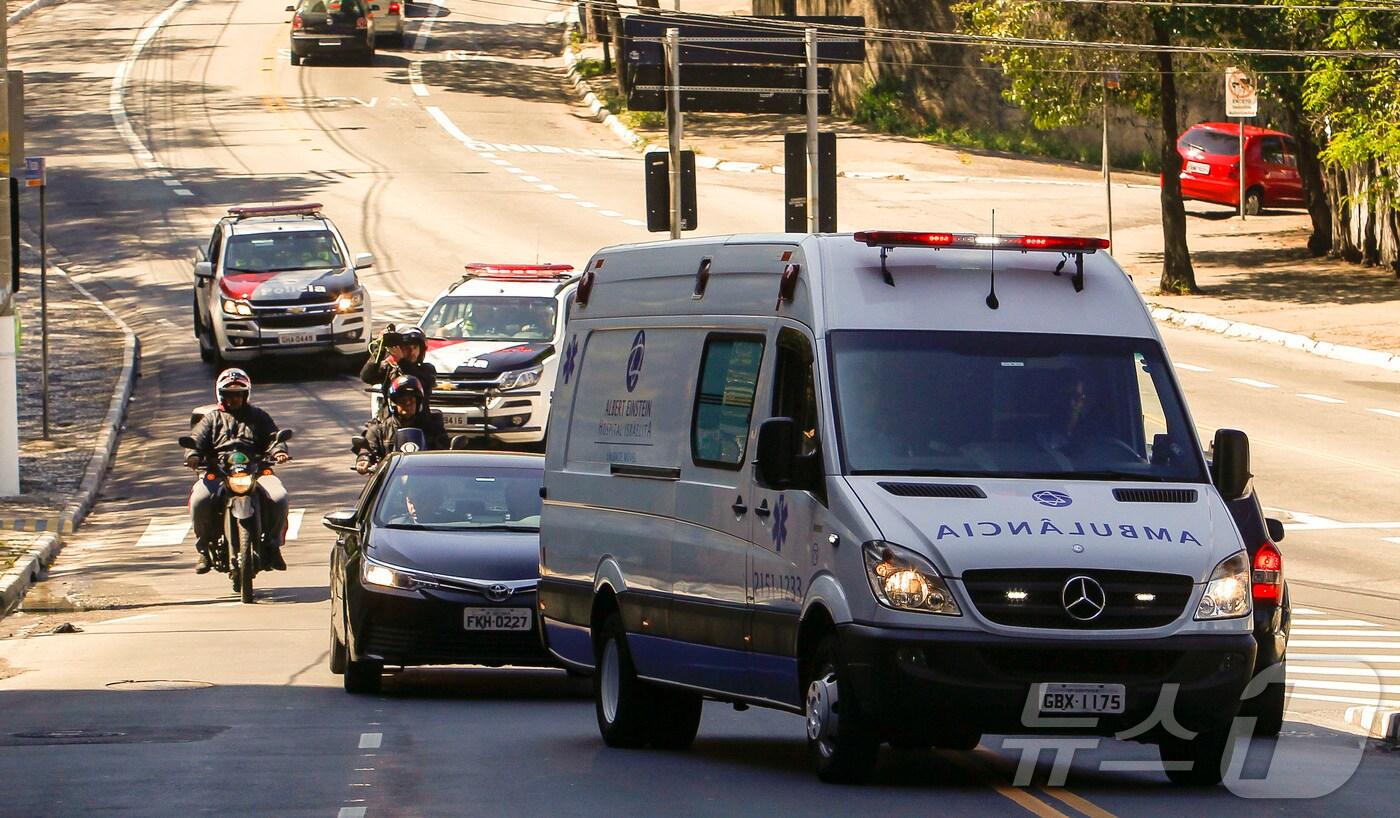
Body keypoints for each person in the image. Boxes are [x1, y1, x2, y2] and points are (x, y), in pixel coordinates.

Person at [185, 369, 291, 574]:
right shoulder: (211, 419)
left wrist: (279, 451)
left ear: (246, 394)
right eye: (228, 394)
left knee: (280, 497)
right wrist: (193, 456)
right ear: (220, 395)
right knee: (199, 499)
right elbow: (196, 441)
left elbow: (273, 437)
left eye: (238, 394)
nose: (233, 398)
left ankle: (273, 545)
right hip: (220, 471)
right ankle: (204, 550)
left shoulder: (259, 416)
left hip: (256, 470)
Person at [353, 375, 450, 473]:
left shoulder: (432, 428)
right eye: (403, 401)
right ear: (393, 403)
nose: (407, 405)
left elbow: (444, 451)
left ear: (418, 403)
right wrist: (364, 459)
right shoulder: (380, 428)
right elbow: (368, 447)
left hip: (425, 479)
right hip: (390, 480)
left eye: (411, 401)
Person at [361, 324, 436, 413]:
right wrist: (380, 349)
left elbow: (419, 382)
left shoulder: (427, 370)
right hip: (392, 422)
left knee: (435, 426)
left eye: (415, 348)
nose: (412, 352)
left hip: (420, 422)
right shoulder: (389, 368)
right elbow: (367, 376)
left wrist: (402, 361)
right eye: (406, 348)